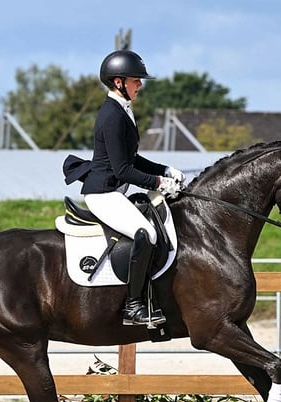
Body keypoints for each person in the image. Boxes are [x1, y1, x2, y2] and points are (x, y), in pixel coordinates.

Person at [65, 49, 185, 327]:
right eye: (135, 80)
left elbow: (132, 158)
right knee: (147, 233)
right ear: (118, 82)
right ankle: (133, 306)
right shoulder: (112, 115)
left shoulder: (122, 111)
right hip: (103, 194)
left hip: (114, 191)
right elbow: (123, 171)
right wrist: (159, 183)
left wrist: (164, 170)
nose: (140, 85)